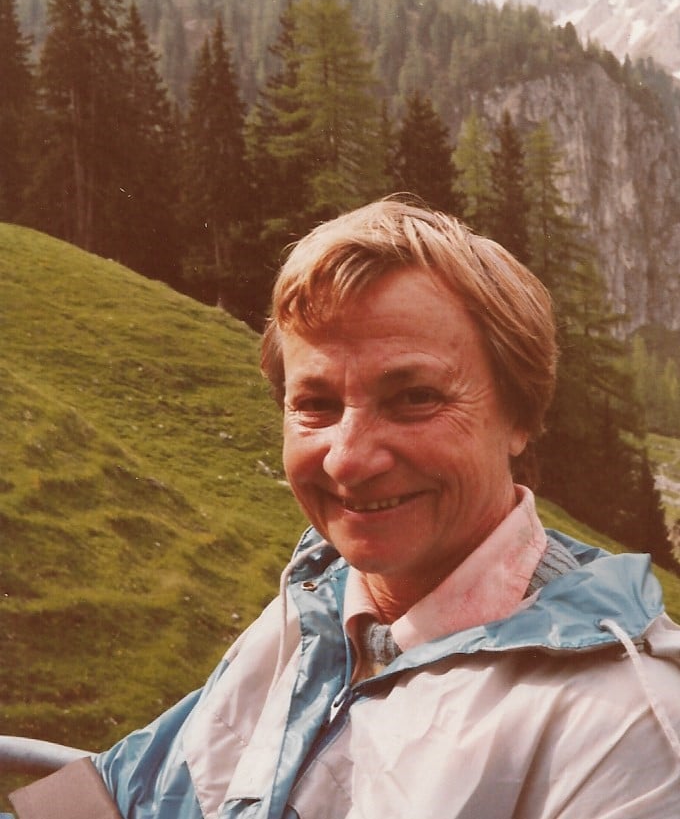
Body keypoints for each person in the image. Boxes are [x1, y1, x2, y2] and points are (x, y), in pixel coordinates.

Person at [8, 198, 680, 818]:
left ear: (520, 416)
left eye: (415, 397)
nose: (348, 459)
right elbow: (118, 796)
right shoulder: (317, 608)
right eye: (315, 404)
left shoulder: (625, 722)